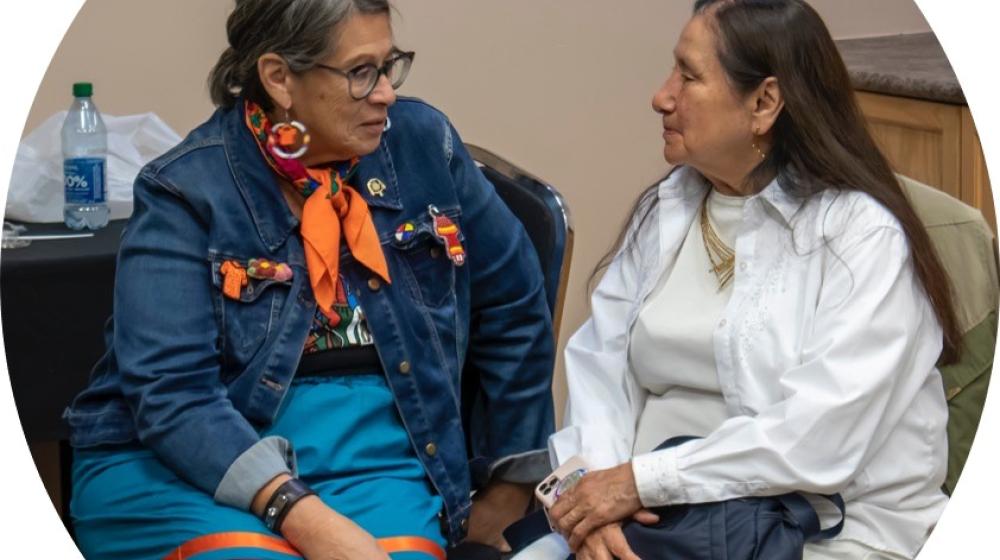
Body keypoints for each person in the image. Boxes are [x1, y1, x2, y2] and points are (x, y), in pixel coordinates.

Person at [64, 1, 555, 558]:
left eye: (390, 65)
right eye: (360, 72)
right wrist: (297, 513)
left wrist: (513, 483)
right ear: (279, 78)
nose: (386, 93)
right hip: (189, 460)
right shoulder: (187, 190)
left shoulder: (423, 147)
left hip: (375, 453)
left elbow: (515, 303)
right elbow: (173, 395)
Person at [536, 1, 961, 559]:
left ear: (764, 102)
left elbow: (816, 438)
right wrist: (592, 509)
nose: (661, 96)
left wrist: (638, 482)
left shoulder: (861, 238)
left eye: (688, 76)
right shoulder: (670, 207)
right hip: (650, 524)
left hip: (816, 528)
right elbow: (600, 371)